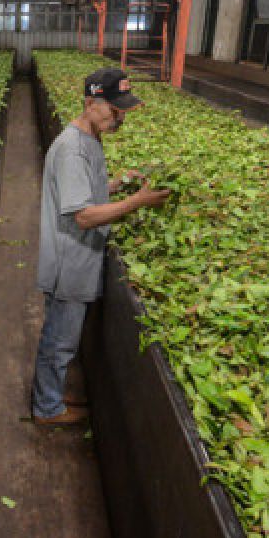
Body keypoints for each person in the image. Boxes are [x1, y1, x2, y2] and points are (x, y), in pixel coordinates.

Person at [32, 68, 171, 426]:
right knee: (59, 340)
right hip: (69, 261)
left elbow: (86, 190)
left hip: (80, 256)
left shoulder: (90, 138)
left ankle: (52, 396)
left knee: (64, 335)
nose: (119, 117)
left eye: (122, 110)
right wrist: (137, 202)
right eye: (114, 109)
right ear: (90, 103)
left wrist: (119, 183)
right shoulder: (71, 150)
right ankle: (47, 409)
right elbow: (84, 215)